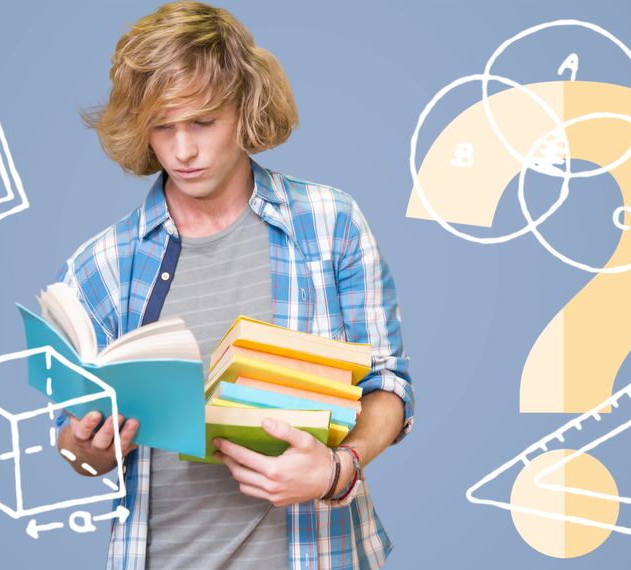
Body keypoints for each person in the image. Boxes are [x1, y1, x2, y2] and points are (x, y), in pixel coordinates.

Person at [52, 3, 414, 568]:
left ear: (244, 110)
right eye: (163, 127)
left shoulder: (329, 222)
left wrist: (336, 469)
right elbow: (75, 448)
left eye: (202, 122)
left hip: (318, 553)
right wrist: (86, 445)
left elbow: (388, 384)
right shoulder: (101, 264)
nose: (182, 151)